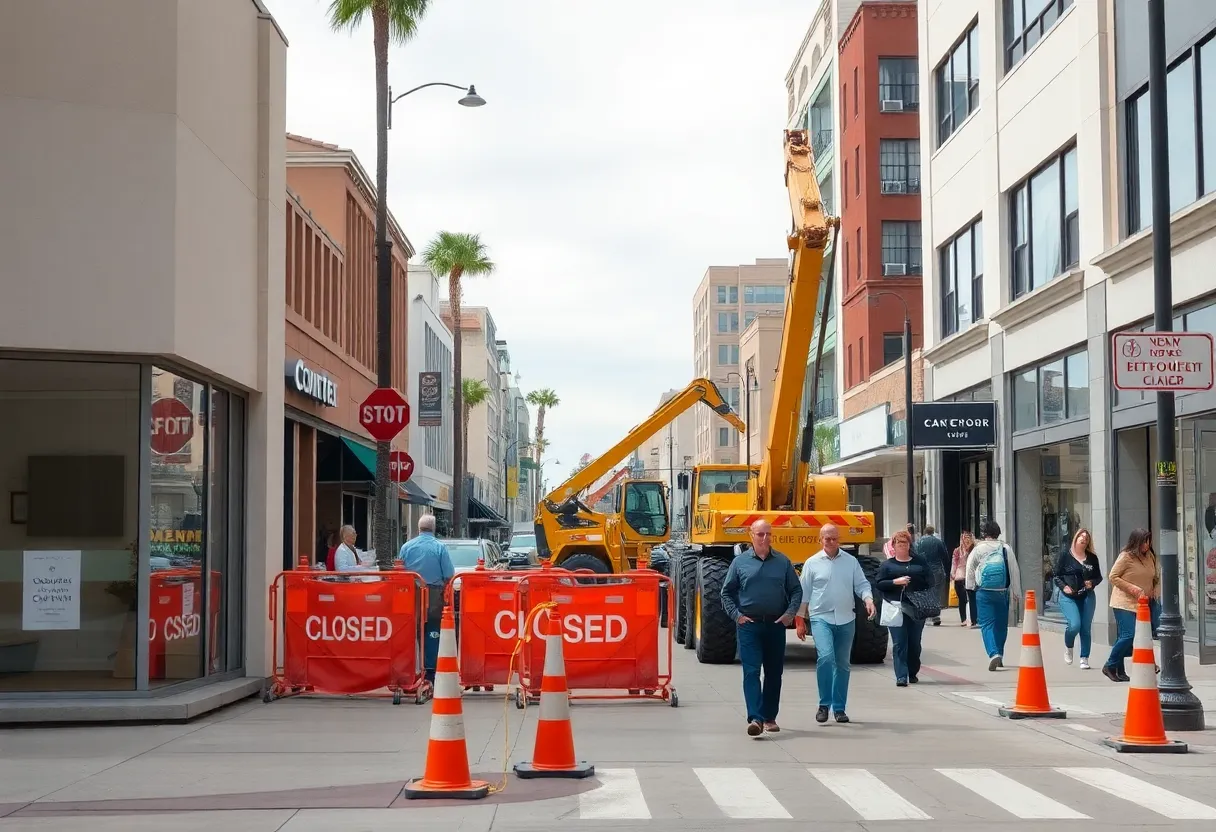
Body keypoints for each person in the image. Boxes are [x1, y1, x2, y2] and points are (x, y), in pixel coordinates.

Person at [721, 519, 803, 737]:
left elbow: (796, 591)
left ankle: (769, 717)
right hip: (750, 626)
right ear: (751, 535)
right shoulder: (739, 563)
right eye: (760, 534)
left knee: (774, 673)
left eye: (768, 534)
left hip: (776, 625)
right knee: (752, 671)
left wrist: (789, 615)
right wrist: (737, 616)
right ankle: (755, 718)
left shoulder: (783, 562)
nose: (764, 538)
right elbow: (726, 593)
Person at [794, 524, 876, 724]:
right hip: (821, 617)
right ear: (820, 539)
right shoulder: (812, 563)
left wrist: (868, 599)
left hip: (847, 618)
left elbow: (862, 584)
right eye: (827, 539)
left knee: (842, 664)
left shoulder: (851, 562)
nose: (831, 542)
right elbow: (803, 594)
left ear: (839, 539)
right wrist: (799, 621)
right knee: (826, 657)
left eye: (834, 539)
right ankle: (824, 705)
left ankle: (839, 708)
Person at [397, 514, 455, 683]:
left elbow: (400, 569)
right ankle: (430, 670)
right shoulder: (439, 547)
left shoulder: (407, 547)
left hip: (410, 592)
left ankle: (410, 668)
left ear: (419, 527)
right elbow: (449, 574)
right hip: (433, 593)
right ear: (433, 528)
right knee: (432, 630)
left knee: (411, 630)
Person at [1102, 528, 1160, 683]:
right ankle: (1110, 665)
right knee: (1129, 635)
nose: (1147, 545)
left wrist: (1154, 588)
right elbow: (1113, 576)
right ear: (1137, 542)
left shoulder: (1150, 556)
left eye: (1149, 541)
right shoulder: (1126, 556)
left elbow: (1155, 576)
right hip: (1124, 602)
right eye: (1144, 541)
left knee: (1126, 637)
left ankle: (1118, 671)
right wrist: (1133, 589)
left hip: (1143, 603)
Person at [876, 530, 933, 686]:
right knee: (899, 643)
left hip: (916, 607)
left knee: (914, 643)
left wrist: (916, 584)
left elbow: (930, 581)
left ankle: (912, 671)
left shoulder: (919, 562)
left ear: (909, 545)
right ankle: (901, 676)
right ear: (893, 545)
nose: (902, 546)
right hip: (895, 607)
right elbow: (879, 584)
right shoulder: (887, 565)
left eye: (905, 543)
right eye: (899, 543)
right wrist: (895, 582)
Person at [965, 519, 1023, 671]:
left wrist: (970, 587)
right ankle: (1000, 655)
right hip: (1002, 592)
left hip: (984, 592)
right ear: (998, 533)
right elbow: (1014, 570)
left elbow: (970, 569)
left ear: (984, 534)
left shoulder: (978, 549)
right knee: (1001, 625)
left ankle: (993, 653)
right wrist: (1017, 592)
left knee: (986, 625)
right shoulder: (1005, 548)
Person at [1053, 528, 1103, 670]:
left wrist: (1092, 583)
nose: (1083, 539)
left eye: (1086, 537)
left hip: (1087, 595)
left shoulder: (1092, 558)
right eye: (1081, 536)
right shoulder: (1065, 556)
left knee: (1085, 628)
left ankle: (1084, 658)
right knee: (1074, 625)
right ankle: (1069, 647)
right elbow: (1056, 575)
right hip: (1069, 596)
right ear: (1075, 538)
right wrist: (1064, 587)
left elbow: (1098, 577)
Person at [916, 524, 951, 626]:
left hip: (922, 570)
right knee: (936, 592)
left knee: (925, 592)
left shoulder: (918, 542)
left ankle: (926, 615)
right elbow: (945, 556)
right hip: (936, 570)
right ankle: (935, 616)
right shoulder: (938, 542)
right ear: (933, 532)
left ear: (925, 532)